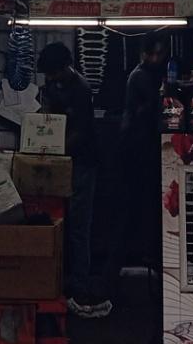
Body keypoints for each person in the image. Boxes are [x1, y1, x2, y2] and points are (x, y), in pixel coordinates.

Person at [36, 41, 108, 319]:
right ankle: (59, 278)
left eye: (53, 73)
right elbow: (48, 117)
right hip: (60, 160)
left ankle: (80, 286)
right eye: (48, 74)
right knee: (57, 221)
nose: (51, 77)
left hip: (82, 163)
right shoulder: (53, 85)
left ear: (65, 67)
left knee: (79, 225)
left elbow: (80, 131)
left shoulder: (81, 90)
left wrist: (56, 150)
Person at [104, 37, 168, 294]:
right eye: (153, 54)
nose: (156, 59)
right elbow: (151, 109)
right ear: (143, 54)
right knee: (129, 214)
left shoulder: (145, 75)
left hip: (139, 153)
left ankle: (115, 273)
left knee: (132, 215)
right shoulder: (141, 77)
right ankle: (112, 274)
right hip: (135, 155)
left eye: (159, 55)